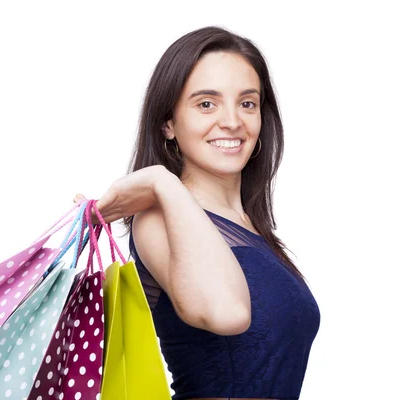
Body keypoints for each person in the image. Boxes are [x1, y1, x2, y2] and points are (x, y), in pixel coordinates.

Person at [74, 26, 320, 400]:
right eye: (207, 103)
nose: (233, 121)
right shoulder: (158, 219)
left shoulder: (251, 228)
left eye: (247, 103)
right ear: (167, 123)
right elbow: (227, 314)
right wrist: (162, 182)